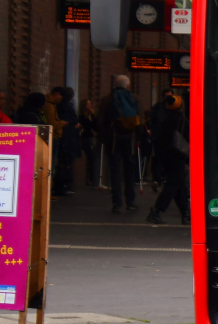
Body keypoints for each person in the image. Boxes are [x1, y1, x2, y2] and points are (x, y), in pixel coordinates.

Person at [100, 75, 141, 214]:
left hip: (114, 138)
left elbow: (101, 120)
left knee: (115, 171)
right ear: (128, 85)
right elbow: (139, 119)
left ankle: (117, 203)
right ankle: (130, 202)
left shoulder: (107, 99)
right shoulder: (134, 98)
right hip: (130, 138)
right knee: (129, 170)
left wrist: (104, 137)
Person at [147, 92, 190, 225]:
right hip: (177, 156)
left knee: (179, 185)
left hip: (166, 156)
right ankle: (157, 211)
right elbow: (188, 138)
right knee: (173, 184)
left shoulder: (165, 119)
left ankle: (186, 213)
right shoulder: (181, 120)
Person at [52, 87, 81, 196]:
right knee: (64, 163)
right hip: (67, 138)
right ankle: (62, 185)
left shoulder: (61, 107)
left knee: (63, 162)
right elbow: (70, 121)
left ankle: (62, 185)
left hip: (65, 138)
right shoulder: (66, 107)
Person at [79, 98, 100, 188]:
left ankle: (92, 178)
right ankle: (90, 178)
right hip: (86, 138)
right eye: (87, 104)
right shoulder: (82, 116)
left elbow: (96, 126)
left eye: (90, 104)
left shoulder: (91, 116)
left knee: (93, 158)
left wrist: (94, 115)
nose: (89, 106)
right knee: (91, 157)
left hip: (92, 137)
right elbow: (87, 125)